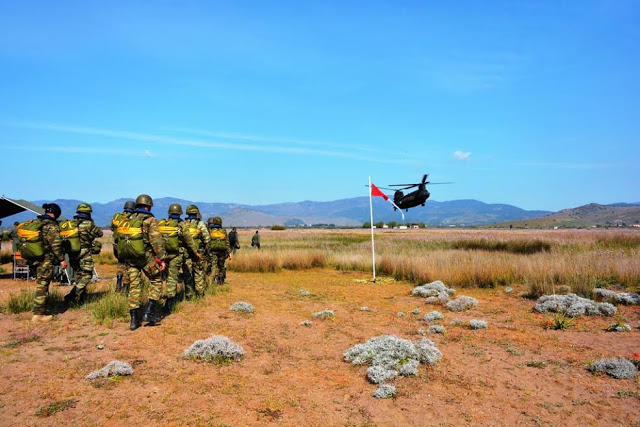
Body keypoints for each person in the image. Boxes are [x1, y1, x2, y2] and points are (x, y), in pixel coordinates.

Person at [116, 194, 166, 330]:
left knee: (134, 286)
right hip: (146, 257)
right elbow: (157, 242)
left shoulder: (128, 219)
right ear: (148, 205)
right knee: (156, 280)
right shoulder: (149, 220)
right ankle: (149, 313)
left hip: (130, 258)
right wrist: (161, 259)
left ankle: (133, 321)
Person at [19, 203, 67, 322]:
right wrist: (62, 260)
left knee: (40, 283)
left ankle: (41, 308)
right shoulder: (51, 226)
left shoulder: (36, 223)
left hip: (33, 259)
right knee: (43, 285)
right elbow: (55, 245)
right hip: (44, 259)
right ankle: (38, 314)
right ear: (56, 213)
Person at [157, 203, 199, 315]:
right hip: (176, 255)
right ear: (180, 212)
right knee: (172, 278)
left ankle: (156, 300)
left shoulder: (161, 223)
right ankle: (169, 305)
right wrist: (195, 253)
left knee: (160, 277)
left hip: (162, 255)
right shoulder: (181, 225)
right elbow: (189, 241)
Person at [63, 203, 103, 305]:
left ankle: (81, 298)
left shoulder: (71, 224)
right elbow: (100, 233)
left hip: (72, 254)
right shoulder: (89, 224)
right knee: (87, 275)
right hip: (84, 254)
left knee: (80, 275)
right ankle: (72, 295)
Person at [183, 205, 210, 298]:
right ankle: (199, 294)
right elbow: (207, 239)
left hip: (186, 254)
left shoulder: (183, 224)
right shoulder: (200, 224)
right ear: (196, 213)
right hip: (199, 253)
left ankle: (188, 295)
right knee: (198, 273)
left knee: (187, 275)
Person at [110, 200, 135, 292]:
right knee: (128, 266)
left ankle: (118, 284)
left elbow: (112, 228)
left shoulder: (117, 216)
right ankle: (125, 288)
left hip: (117, 246)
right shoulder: (134, 217)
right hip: (128, 246)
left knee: (120, 264)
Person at [207, 216, 231, 285]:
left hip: (213, 252)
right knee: (221, 266)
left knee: (214, 266)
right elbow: (227, 243)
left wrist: (208, 252)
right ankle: (220, 281)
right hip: (222, 252)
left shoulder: (211, 231)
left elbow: (208, 242)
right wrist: (229, 253)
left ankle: (212, 281)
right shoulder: (223, 231)